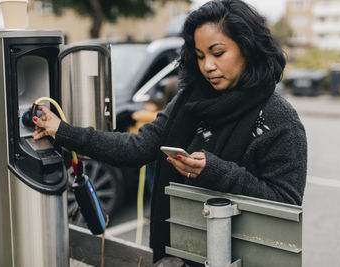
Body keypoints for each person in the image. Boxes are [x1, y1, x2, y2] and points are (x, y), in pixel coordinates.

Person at [32, 0, 307, 263]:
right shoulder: (190, 100)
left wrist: (217, 172)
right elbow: (138, 147)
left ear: (248, 48)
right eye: (200, 56)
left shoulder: (280, 120)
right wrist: (63, 131)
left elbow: (286, 206)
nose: (207, 66)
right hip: (177, 253)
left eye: (218, 53)